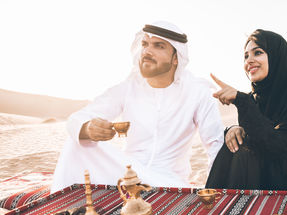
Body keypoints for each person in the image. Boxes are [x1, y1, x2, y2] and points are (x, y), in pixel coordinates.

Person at [51, 21, 224, 193]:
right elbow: (77, 119)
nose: (147, 51)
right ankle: (65, 205)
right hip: (127, 173)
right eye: (144, 44)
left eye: (159, 46)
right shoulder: (128, 87)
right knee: (75, 143)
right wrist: (88, 128)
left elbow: (215, 144)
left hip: (169, 181)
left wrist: (214, 191)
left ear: (176, 58)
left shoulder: (198, 91)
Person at [205, 29, 287, 191]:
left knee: (245, 150)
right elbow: (256, 132)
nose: (249, 61)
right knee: (237, 145)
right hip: (268, 175)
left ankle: (235, 206)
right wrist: (234, 130)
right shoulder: (255, 98)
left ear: (277, 57)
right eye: (246, 56)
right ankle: (219, 204)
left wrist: (241, 101)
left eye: (257, 53)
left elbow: (278, 146)